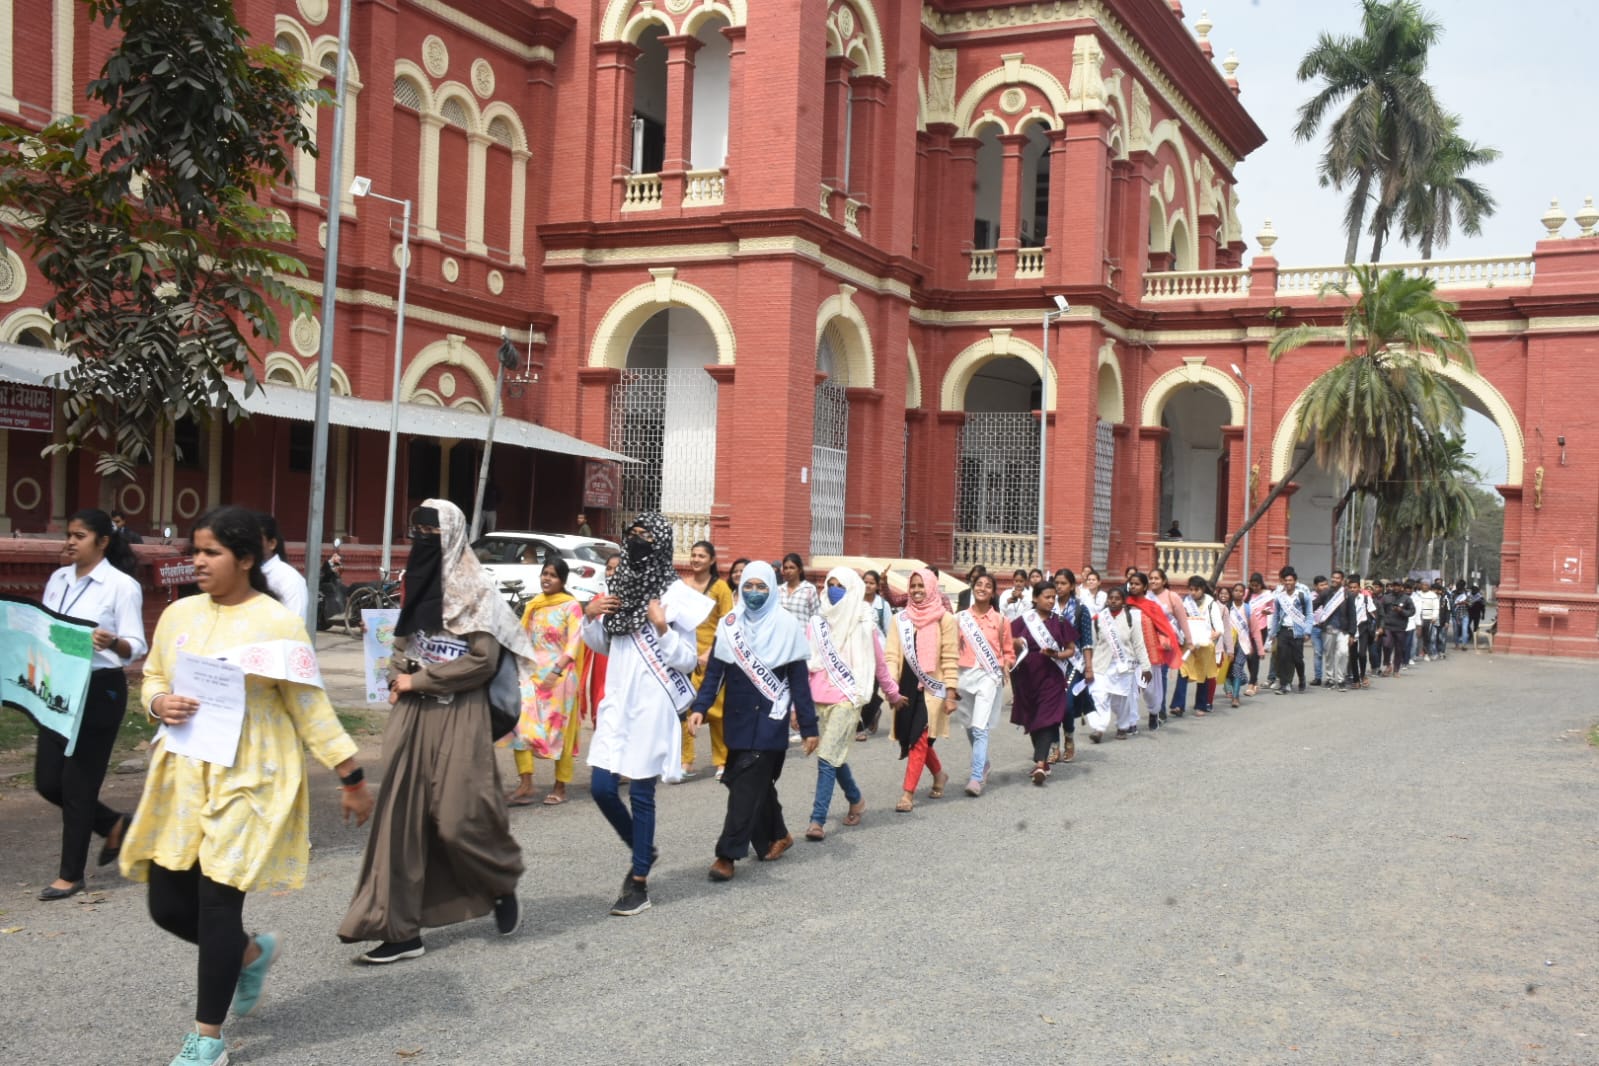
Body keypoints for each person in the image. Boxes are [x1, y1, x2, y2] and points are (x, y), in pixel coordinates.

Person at [122, 507, 373, 1066]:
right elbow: (156, 677)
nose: (198, 562)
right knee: (166, 904)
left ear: (245, 559)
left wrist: (350, 775)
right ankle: (250, 953)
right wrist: (158, 702)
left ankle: (207, 1038)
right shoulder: (179, 614)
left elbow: (309, 705)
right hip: (185, 771)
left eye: (211, 553)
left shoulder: (276, 623)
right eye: (196, 551)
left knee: (217, 903)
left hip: (252, 776)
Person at [339, 500, 528, 962]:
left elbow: (482, 661)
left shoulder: (476, 588)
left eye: (431, 531)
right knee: (400, 819)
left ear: (453, 533)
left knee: (458, 816)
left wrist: (420, 679)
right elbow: (405, 639)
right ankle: (399, 929)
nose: (421, 537)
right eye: (416, 529)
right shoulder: (417, 579)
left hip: (460, 711)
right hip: (412, 714)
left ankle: (498, 881)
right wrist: (396, 675)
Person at [580, 511, 714, 916]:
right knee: (601, 787)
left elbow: (687, 660)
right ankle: (644, 847)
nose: (637, 540)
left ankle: (639, 881)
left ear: (659, 542)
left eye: (645, 535)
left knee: (640, 792)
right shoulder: (618, 586)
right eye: (632, 534)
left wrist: (662, 627)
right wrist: (591, 616)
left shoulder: (678, 598)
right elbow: (604, 645)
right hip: (618, 702)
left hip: (653, 705)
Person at [34, 509, 147, 900]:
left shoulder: (121, 586)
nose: (70, 541)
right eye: (68, 534)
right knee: (47, 781)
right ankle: (115, 824)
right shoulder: (58, 580)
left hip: (100, 688)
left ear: (102, 542)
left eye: (79, 535)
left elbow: (136, 647)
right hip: (58, 687)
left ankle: (70, 874)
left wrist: (112, 641)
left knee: (78, 783)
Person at [687, 561, 817, 881]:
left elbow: (799, 682)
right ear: (740, 588)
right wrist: (700, 707)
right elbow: (715, 673)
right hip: (739, 718)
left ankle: (726, 855)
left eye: (761, 587)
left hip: (772, 721)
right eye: (749, 586)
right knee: (745, 781)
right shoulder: (729, 625)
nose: (755, 593)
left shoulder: (787, 626)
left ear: (771, 589)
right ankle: (779, 834)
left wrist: (810, 727)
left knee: (745, 786)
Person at [805, 568, 902, 836]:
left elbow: (880, 666)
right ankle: (856, 798)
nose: (834, 590)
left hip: (849, 697)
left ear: (853, 589)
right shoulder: (817, 624)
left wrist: (892, 694)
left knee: (826, 757)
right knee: (834, 755)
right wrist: (795, 707)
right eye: (830, 584)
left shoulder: (864, 623)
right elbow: (804, 665)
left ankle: (817, 820)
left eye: (841, 586)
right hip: (820, 698)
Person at [506, 558, 588, 807]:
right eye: (544, 574)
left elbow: (574, 643)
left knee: (558, 731)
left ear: (562, 580)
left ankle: (560, 785)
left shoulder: (571, 606)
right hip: (531, 674)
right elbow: (522, 638)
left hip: (559, 676)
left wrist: (555, 672)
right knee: (520, 726)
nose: (546, 579)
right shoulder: (534, 605)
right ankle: (526, 783)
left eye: (552, 575)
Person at [885, 568, 959, 813]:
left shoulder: (944, 619)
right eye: (913, 586)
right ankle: (939, 774)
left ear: (931, 587)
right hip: (906, 685)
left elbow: (949, 658)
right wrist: (891, 689)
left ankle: (907, 793)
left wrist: (950, 693)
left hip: (932, 688)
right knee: (911, 736)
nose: (916, 591)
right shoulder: (900, 619)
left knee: (919, 739)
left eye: (921, 586)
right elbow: (892, 656)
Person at [1009, 581, 1079, 785]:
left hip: (1052, 676)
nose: (1051, 601)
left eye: (1053, 598)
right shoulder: (1023, 621)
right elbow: (1008, 643)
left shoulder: (1060, 622)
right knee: (1033, 718)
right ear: (1035, 598)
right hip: (1026, 676)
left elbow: (1071, 649)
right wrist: (1015, 644)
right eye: (1046, 597)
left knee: (1048, 717)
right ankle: (1043, 761)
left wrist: (1056, 654)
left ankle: (1040, 763)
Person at [952, 572, 1015, 796]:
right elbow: (949, 648)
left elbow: (1008, 651)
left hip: (989, 676)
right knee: (969, 725)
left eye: (988, 586)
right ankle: (984, 763)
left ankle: (976, 776)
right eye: (978, 584)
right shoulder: (959, 619)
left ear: (992, 592)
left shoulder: (1001, 621)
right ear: (972, 588)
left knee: (980, 728)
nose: (982, 588)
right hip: (963, 675)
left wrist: (1007, 663)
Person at [679, 540, 734, 781]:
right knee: (685, 709)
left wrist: (710, 652)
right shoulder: (683, 586)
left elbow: (727, 623)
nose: (696, 560)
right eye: (693, 555)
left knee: (717, 712)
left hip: (713, 657)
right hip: (685, 657)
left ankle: (722, 761)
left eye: (701, 556)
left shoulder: (720, 588)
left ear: (712, 560)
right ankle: (686, 760)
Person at [1087, 585, 1152, 740]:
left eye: (1117, 598)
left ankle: (1122, 726)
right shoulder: (1099, 619)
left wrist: (1146, 667)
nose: (1113, 601)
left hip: (1123, 666)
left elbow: (1138, 644)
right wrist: (1087, 665)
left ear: (1123, 601)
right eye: (1111, 598)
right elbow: (1092, 644)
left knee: (1120, 700)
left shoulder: (1131, 620)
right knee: (1098, 696)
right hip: (1101, 665)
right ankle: (1099, 728)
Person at [1125, 570, 1182, 730]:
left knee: (1149, 690)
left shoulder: (1152, 607)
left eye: (1137, 584)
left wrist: (1166, 640)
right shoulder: (1125, 604)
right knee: (1131, 689)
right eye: (1131, 584)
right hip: (1130, 654)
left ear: (1144, 587)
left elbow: (1164, 628)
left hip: (1149, 654)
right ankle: (1132, 722)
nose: (1133, 587)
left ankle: (1154, 712)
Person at [1171, 576, 1223, 717]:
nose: (1193, 592)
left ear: (1203, 589)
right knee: (1183, 671)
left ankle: (1201, 705)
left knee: (1203, 674)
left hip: (1204, 643)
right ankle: (1178, 705)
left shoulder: (1211, 603)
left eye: (1196, 590)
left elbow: (1218, 625)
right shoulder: (1185, 602)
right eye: (1191, 589)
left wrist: (1216, 632)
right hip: (1188, 643)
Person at [855, 568, 893, 740]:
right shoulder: (855, 602)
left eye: (871, 583)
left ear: (877, 586)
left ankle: (862, 725)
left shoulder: (882, 606)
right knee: (859, 689)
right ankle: (861, 723)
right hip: (858, 653)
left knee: (871, 690)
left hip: (878, 654)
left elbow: (890, 631)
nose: (867, 586)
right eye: (865, 582)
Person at [1268, 567, 1314, 694]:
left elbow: (1310, 614)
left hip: (1298, 631)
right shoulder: (1279, 597)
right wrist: (1273, 633)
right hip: (1283, 630)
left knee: (1297, 659)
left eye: (1290, 580)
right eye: (1286, 581)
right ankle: (1285, 684)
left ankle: (1301, 678)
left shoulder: (1303, 596)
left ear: (1295, 581)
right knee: (1282, 657)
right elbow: (1276, 615)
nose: (1288, 583)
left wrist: (1307, 631)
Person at [256, 512, 306, 619]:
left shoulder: (289, 579)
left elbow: (294, 625)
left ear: (272, 543)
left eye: (256, 539)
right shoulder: (240, 575)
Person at [1314, 570, 1356, 691]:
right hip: (1328, 628)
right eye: (1333, 578)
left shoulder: (1347, 594)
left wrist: (1352, 633)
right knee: (1329, 655)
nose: (1334, 580)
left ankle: (1341, 679)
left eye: (1337, 578)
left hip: (1343, 630)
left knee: (1343, 653)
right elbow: (1314, 605)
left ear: (1342, 580)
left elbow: (1352, 615)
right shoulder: (1325, 592)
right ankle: (1330, 679)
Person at [1220, 583, 1253, 707]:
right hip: (1228, 643)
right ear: (1232, 592)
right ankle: (1231, 682)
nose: (1238, 593)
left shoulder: (1248, 608)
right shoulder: (1226, 608)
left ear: (1244, 593)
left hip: (1243, 643)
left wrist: (1259, 648)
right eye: (1235, 590)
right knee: (1228, 669)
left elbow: (1254, 629)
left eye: (1240, 591)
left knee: (1237, 667)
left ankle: (1235, 697)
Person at [1245, 573, 1274, 695]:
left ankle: (1251, 684)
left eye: (1257, 585)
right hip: (1246, 628)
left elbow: (1273, 609)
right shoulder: (1247, 593)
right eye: (1253, 585)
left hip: (1261, 628)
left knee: (1255, 656)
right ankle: (1254, 680)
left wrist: (1266, 611)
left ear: (1261, 584)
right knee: (1248, 655)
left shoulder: (1267, 595)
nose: (1255, 588)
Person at [778, 552, 820, 623]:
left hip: (802, 633)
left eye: (792, 568)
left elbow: (816, 617)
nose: (788, 571)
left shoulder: (809, 589)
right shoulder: (779, 590)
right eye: (786, 568)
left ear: (799, 570)